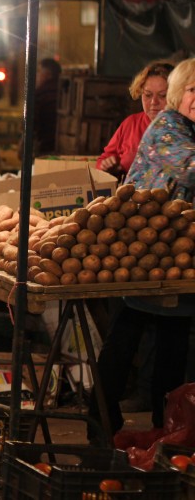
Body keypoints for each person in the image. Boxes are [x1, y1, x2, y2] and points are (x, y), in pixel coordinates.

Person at [89, 57, 195, 442]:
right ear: (178, 95)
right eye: (191, 90)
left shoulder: (188, 126)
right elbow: (189, 169)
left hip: (171, 255)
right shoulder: (167, 127)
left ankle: (161, 426)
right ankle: (100, 420)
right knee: (127, 332)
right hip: (140, 250)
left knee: (172, 340)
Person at [96, 61, 173, 177]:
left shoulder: (183, 128)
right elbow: (104, 159)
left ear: (176, 94)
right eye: (148, 95)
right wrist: (107, 166)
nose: (153, 102)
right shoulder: (131, 124)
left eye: (162, 95)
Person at [33, 57, 61, 154]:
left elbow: (32, 122)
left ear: (47, 75)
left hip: (45, 144)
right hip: (63, 143)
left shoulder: (40, 93)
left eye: (39, 71)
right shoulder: (65, 91)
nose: (37, 75)